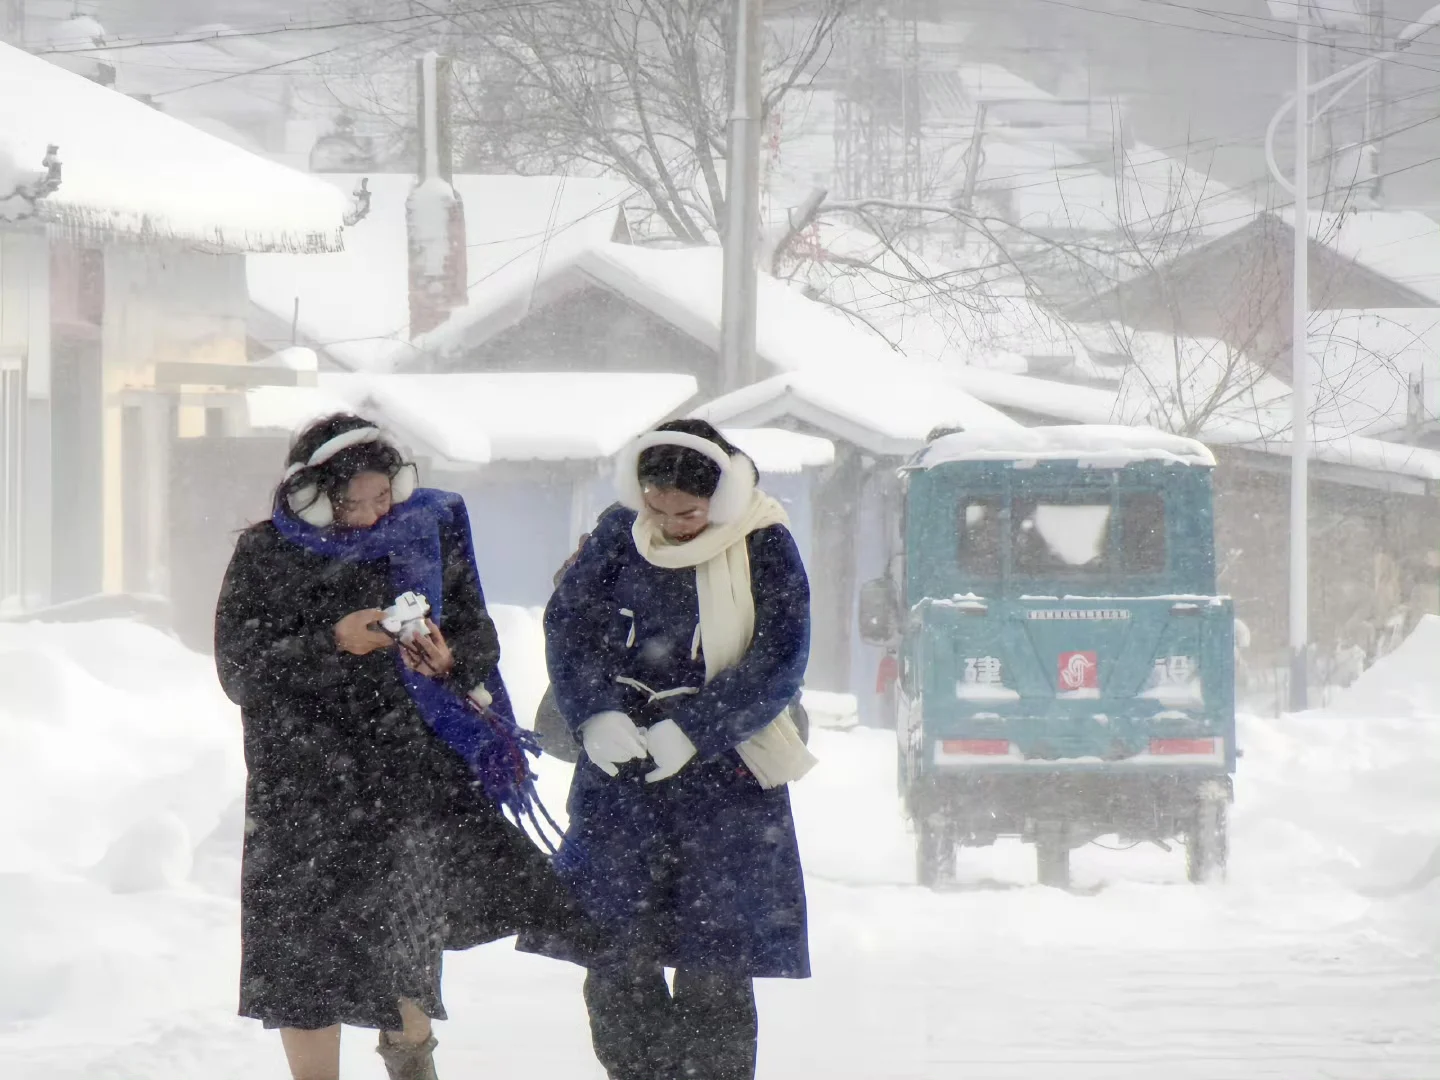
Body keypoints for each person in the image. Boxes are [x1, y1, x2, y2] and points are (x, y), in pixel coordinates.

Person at [214, 413, 585, 1080]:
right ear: (308, 495)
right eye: (349, 502)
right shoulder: (268, 554)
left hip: (404, 779)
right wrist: (334, 641)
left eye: (382, 497)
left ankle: (413, 1068)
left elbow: (478, 637)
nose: (367, 515)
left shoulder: (425, 537)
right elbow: (240, 670)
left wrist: (448, 657)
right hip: (299, 790)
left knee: (403, 946)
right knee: (303, 961)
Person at [531, 419, 817, 1080]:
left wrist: (695, 728)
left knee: (713, 971)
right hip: (621, 782)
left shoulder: (763, 541)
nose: (671, 524)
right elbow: (569, 626)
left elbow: (780, 660)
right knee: (614, 959)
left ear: (723, 497)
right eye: (656, 508)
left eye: (688, 512)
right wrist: (595, 713)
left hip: (726, 787)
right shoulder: (617, 530)